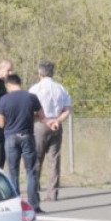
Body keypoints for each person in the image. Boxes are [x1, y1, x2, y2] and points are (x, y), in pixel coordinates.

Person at [0, 74, 45, 213]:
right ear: (19, 83)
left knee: (13, 172)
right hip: (27, 136)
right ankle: (34, 205)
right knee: (31, 171)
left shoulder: (4, 99)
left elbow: (1, 123)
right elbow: (41, 116)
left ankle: (16, 206)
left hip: (11, 138)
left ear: (8, 85)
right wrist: (30, 118)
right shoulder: (31, 97)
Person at [28, 60, 72, 202]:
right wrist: (57, 121)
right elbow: (68, 110)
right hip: (56, 125)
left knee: (36, 158)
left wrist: (43, 120)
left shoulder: (35, 88)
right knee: (54, 160)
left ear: (40, 73)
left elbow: (30, 109)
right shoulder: (61, 88)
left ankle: (34, 191)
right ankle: (52, 193)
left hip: (40, 124)